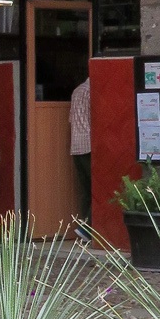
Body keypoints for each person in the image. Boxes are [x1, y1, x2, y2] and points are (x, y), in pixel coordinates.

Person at [69, 74, 92, 222]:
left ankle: (83, 221)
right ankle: (87, 228)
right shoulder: (91, 92)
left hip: (75, 145)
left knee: (85, 190)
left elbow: (71, 119)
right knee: (96, 188)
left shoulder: (76, 91)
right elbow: (94, 117)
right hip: (88, 144)